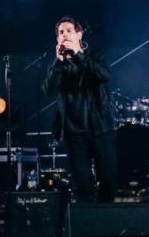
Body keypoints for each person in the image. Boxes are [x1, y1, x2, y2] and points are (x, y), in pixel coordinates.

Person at [42, 16, 117, 203]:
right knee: (82, 185)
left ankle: (108, 217)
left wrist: (78, 54)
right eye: (61, 32)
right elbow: (48, 90)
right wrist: (58, 62)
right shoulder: (58, 65)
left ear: (79, 34)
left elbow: (104, 75)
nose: (65, 35)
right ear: (57, 39)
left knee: (108, 180)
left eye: (69, 30)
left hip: (100, 127)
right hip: (73, 131)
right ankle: (87, 220)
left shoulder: (95, 56)